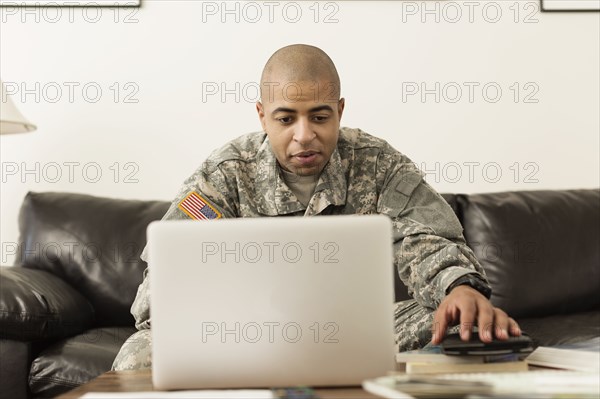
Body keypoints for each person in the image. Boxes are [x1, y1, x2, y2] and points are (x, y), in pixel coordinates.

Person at [112, 44, 521, 370]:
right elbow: (167, 277)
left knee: (456, 330)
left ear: (339, 111)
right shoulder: (225, 174)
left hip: (351, 330)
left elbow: (427, 239)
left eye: (320, 117)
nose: (304, 135)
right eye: (286, 119)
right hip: (239, 335)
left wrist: (460, 288)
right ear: (262, 116)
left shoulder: (379, 165)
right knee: (140, 357)